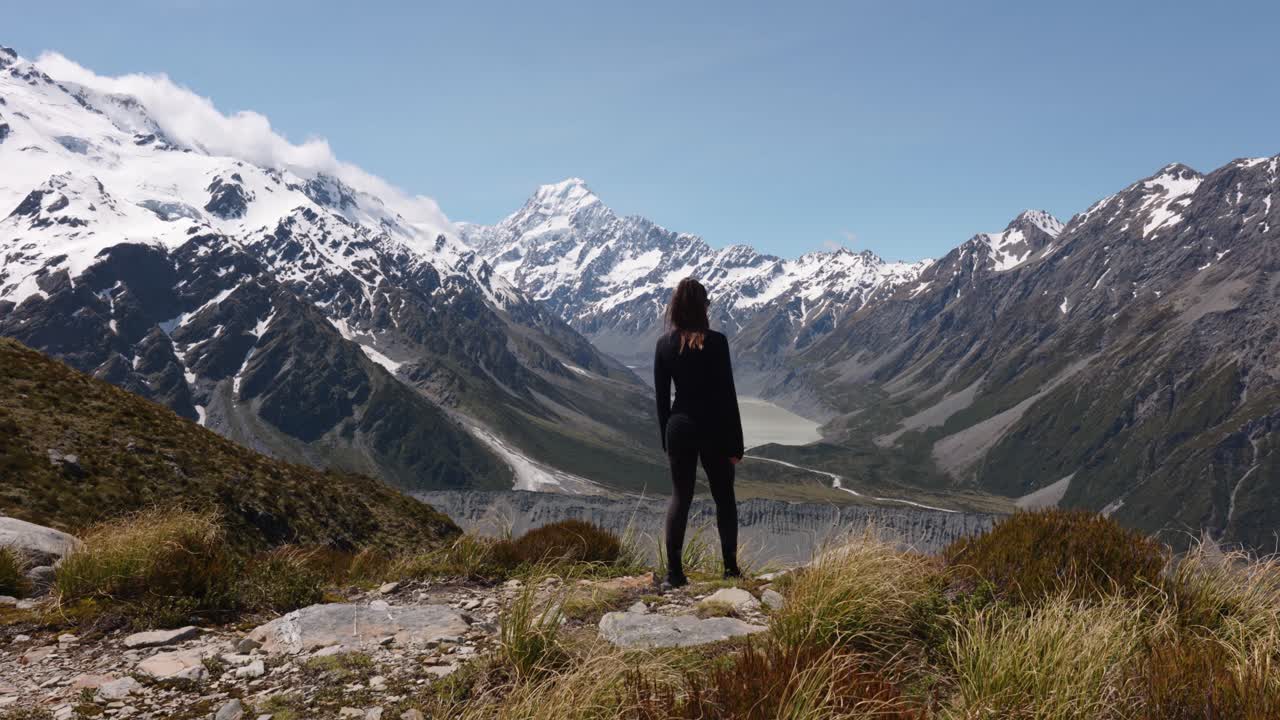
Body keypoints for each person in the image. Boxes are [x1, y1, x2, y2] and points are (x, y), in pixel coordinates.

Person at [653, 277, 744, 589]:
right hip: (714, 427)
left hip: (679, 427)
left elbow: (662, 400)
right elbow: (727, 396)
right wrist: (737, 444)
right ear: (703, 307)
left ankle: (674, 575)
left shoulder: (663, 345)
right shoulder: (716, 342)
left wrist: (666, 437)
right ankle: (730, 570)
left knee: (681, 498)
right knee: (724, 498)